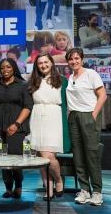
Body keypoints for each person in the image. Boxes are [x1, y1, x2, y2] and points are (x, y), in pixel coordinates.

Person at [65, 47, 107, 206]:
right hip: (74, 117)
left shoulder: (91, 74)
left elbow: (102, 96)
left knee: (91, 154)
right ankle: (84, 190)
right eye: (70, 59)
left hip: (88, 115)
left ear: (81, 59)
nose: (73, 61)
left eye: (76, 58)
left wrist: (94, 115)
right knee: (78, 154)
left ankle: (97, 192)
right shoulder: (70, 77)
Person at [0, 58, 33, 199]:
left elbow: (28, 107)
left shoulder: (23, 85)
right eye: (2, 68)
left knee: (15, 158)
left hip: (17, 126)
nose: (5, 70)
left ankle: (18, 186)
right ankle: (8, 187)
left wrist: (16, 124)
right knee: (2, 158)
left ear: (13, 68)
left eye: (8, 67)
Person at [28, 52, 71, 201]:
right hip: (37, 116)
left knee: (49, 156)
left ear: (51, 63)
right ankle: (48, 188)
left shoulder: (62, 80)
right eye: (40, 63)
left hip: (54, 117)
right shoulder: (34, 81)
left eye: (46, 62)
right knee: (41, 157)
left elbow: (67, 104)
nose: (43, 65)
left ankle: (58, 180)